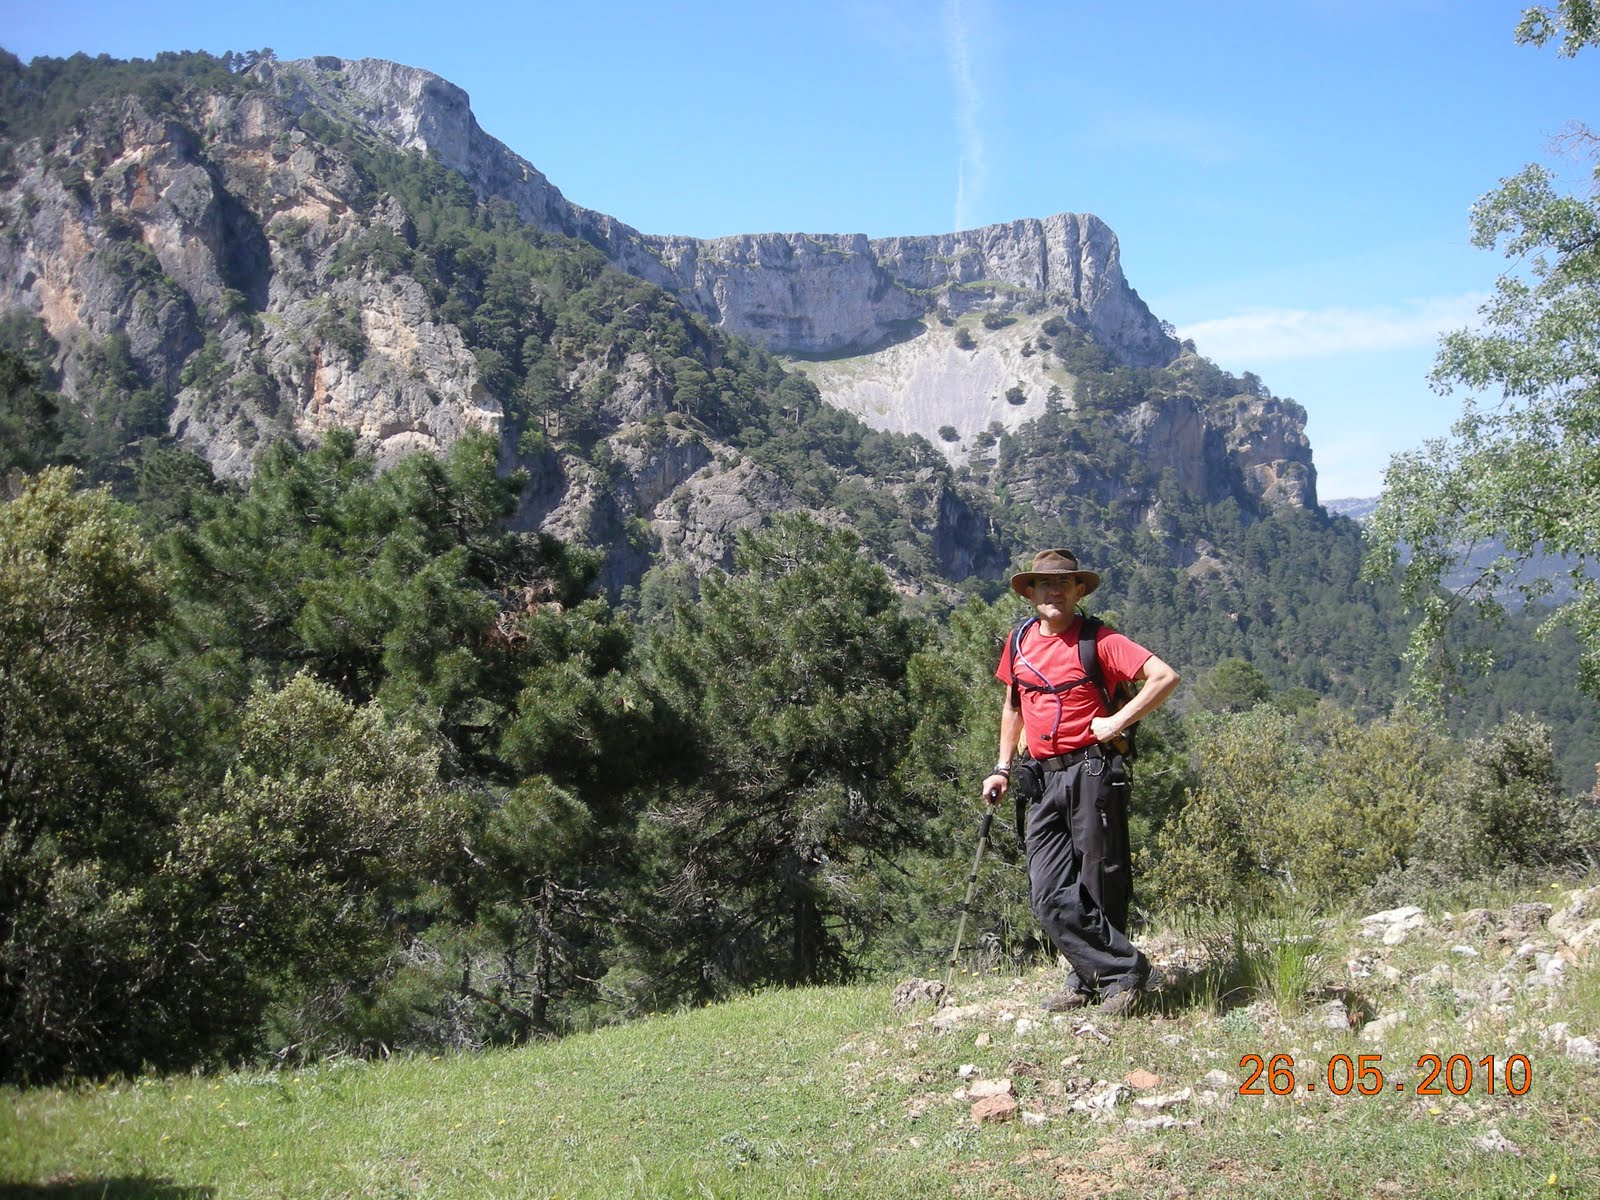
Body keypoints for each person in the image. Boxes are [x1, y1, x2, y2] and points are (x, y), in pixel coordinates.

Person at [981, 549, 1180, 1017]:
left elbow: (1164, 677)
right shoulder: (1020, 641)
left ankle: (1097, 981)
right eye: (1044, 584)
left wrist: (1117, 722)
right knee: (1048, 889)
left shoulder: (1100, 640)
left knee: (1099, 880)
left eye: (1064, 584)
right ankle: (1120, 969)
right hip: (1042, 778)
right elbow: (1013, 707)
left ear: (1078, 591)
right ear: (1030, 592)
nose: (1054, 592)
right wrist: (1003, 767)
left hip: (1093, 771)